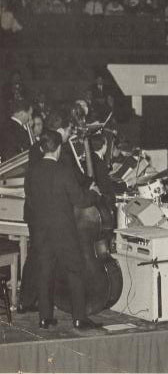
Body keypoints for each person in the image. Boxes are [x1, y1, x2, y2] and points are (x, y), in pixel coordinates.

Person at [27, 130, 103, 329]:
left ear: (42, 148)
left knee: (45, 272)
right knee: (75, 270)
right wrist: (94, 193)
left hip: (41, 231)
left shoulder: (33, 171)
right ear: (59, 148)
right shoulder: (63, 171)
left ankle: (45, 318)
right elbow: (80, 200)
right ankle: (79, 318)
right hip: (64, 231)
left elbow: (31, 201)